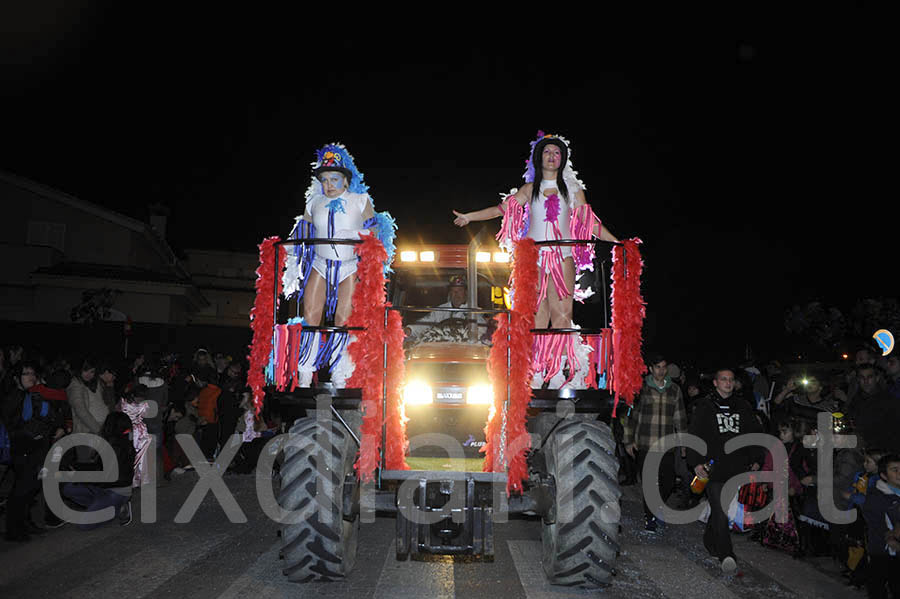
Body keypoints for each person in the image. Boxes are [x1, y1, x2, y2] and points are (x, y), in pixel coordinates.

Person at [451, 132, 621, 388]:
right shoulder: (530, 189)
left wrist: (617, 242)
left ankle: (565, 370)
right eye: (547, 152)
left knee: (562, 313)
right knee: (537, 316)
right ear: (538, 157)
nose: (552, 157)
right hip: (534, 257)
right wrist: (469, 217)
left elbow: (591, 224)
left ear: (563, 159)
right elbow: (501, 210)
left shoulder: (573, 190)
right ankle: (539, 369)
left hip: (562, 254)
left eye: (556, 153)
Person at [282, 142, 395, 387]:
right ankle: (304, 371)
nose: (328, 184)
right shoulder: (314, 202)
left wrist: (355, 233)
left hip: (349, 266)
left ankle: (339, 372)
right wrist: (286, 248)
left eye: (334, 179)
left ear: (345, 180)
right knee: (311, 316)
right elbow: (303, 229)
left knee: (344, 318)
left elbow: (377, 232)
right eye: (324, 180)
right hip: (321, 264)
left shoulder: (359, 200)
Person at [686, 367, 764, 573]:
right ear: (715, 382)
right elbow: (695, 434)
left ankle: (710, 539)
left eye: (730, 380)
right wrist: (696, 462)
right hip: (713, 467)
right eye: (723, 379)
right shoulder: (704, 406)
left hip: (736, 466)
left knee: (720, 508)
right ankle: (726, 554)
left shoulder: (743, 406)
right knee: (720, 510)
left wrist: (756, 458)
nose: (728, 383)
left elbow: (754, 432)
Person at [622, 353, 688, 531]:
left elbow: (680, 418)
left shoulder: (674, 390)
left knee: (668, 482)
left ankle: (657, 507)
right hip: (645, 443)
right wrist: (628, 441)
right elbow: (630, 417)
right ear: (651, 369)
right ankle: (650, 518)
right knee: (650, 482)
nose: (661, 370)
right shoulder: (640, 388)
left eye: (664, 367)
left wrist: (683, 443)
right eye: (657, 367)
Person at [2, 362, 64, 541]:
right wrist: (31, 434)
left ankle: (25, 523)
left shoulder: (30, 395)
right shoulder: (14, 397)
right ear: (16, 378)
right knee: (21, 489)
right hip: (22, 449)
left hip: (33, 448)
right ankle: (15, 530)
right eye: (26, 374)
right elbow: (12, 426)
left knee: (30, 488)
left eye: (32, 373)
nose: (31, 376)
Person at [60, 411, 135, 529]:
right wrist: (76, 468)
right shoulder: (118, 441)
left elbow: (104, 476)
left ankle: (115, 509)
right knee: (69, 489)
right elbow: (98, 468)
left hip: (116, 490)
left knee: (83, 525)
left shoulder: (115, 446)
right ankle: (107, 507)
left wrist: (78, 475)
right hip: (106, 487)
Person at [861, 454, 900, 598]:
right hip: (882, 550)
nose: (899, 473)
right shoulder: (877, 496)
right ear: (883, 475)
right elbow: (875, 522)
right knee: (878, 585)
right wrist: (889, 536)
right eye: (894, 470)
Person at [404, 275, 483, 340]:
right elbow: (426, 323)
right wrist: (410, 330)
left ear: (466, 293)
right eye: (453, 291)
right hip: (440, 348)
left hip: (466, 348)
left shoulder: (474, 311)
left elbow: (482, 330)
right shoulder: (441, 310)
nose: (456, 294)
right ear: (450, 293)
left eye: (460, 290)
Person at [67, 357, 109, 464]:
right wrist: (98, 430)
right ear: (79, 370)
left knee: (96, 463)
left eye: (92, 372)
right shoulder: (75, 386)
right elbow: (81, 411)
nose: (89, 374)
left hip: (101, 427)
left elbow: (102, 402)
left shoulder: (95, 383)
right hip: (87, 430)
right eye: (85, 370)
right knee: (85, 464)